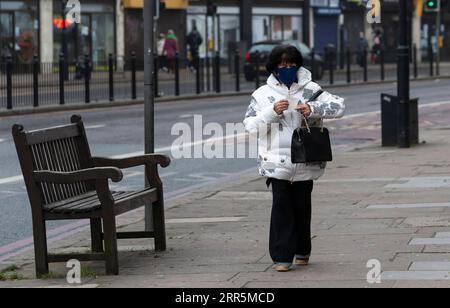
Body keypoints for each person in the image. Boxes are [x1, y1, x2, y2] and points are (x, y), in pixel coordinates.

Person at [243, 45, 345, 272]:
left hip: (306, 160)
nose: (287, 68)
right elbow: (250, 126)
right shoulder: (261, 95)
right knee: (281, 208)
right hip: (276, 163)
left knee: (302, 207)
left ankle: (302, 251)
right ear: (274, 67)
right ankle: (281, 257)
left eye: (291, 64)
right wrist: (271, 112)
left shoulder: (311, 89)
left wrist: (313, 108)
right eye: (282, 64)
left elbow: (339, 106)